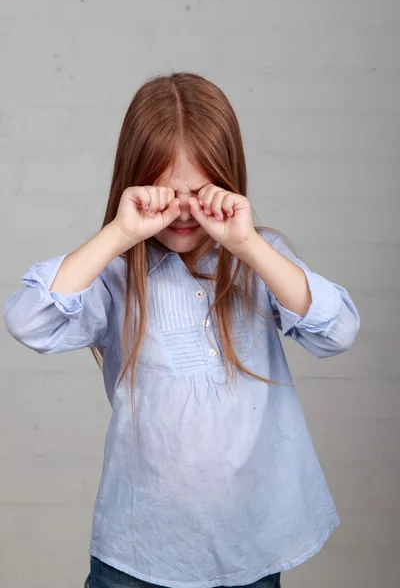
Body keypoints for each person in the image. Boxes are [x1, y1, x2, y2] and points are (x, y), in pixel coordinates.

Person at [3, 72, 360, 588]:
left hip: (248, 549)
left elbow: (339, 331)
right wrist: (119, 233)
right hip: (136, 552)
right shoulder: (117, 273)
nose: (186, 210)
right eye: (167, 193)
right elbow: (28, 321)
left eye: (201, 192)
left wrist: (248, 247)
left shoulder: (257, 262)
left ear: (229, 184)